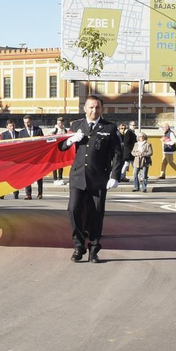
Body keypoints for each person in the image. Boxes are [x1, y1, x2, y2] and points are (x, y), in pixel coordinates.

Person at [61, 95, 121, 262]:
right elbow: (61, 147)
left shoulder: (109, 128)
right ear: (84, 108)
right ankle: (78, 246)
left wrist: (114, 176)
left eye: (97, 107)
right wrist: (70, 140)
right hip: (78, 176)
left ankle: (94, 248)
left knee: (96, 213)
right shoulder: (76, 125)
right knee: (73, 210)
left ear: (102, 109)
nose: (94, 110)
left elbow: (117, 154)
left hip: (99, 178)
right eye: (91, 107)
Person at [15, 115, 45, 198]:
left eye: (28, 122)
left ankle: (40, 193)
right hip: (27, 157)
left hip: (37, 157)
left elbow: (43, 142)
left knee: (39, 175)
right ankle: (28, 194)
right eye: (25, 122)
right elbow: (19, 145)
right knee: (27, 175)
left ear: (31, 121)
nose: (26, 124)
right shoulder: (21, 133)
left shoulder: (38, 130)